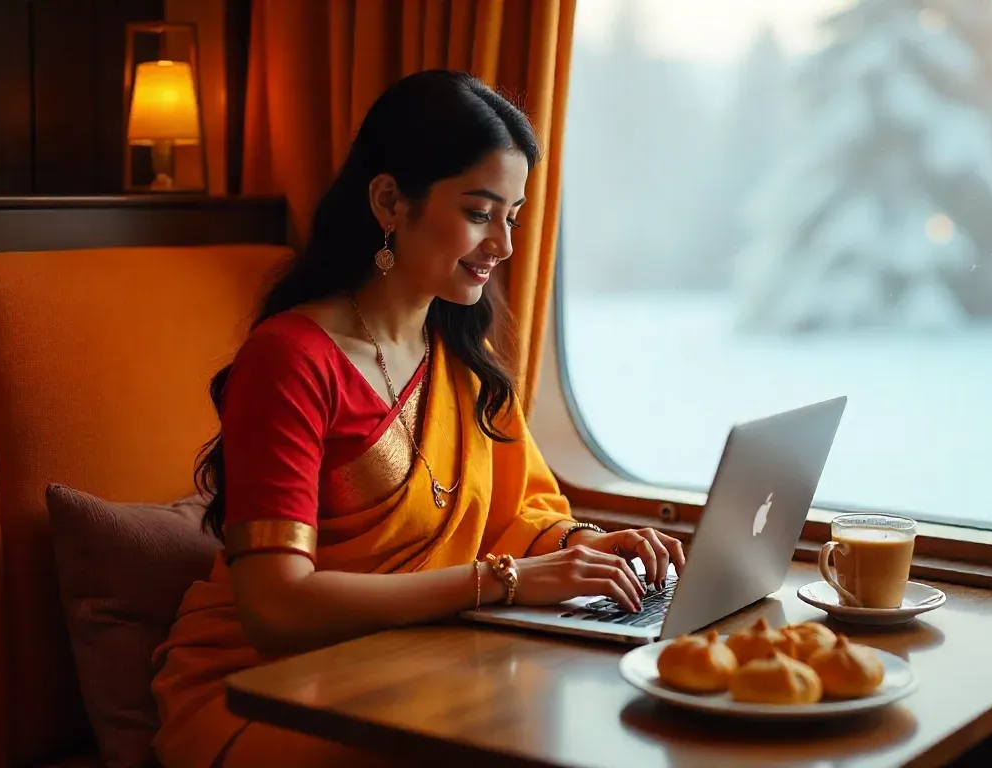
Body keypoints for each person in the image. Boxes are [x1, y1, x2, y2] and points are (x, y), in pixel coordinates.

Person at [150, 69, 686, 768]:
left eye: (513, 217)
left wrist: (587, 547)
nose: (505, 245)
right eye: (478, 212)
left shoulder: (462, 353)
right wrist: (508, 583)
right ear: (389, 201)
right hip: (257, 688)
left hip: (415, 658)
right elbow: (276, 611)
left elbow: (514, 516)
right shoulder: (289, 360)